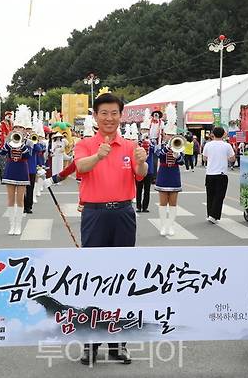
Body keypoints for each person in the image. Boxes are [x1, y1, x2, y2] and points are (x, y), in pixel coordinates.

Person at [74, 93, 148, 366]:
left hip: (123, 214)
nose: (109, 118)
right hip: (94, 214)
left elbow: (141, 174)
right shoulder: (85, 144)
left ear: (121, 115)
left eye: (114, 113)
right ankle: (90, 345)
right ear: (95, 116)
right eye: (103, 113)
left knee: (122, 277)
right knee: (93, 278)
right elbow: (80, 167)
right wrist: (98, 155)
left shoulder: (129, 145)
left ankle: (118, 343)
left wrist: (141, 160)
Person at [0, 105, 33, 235]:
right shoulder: (9, 140)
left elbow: (28, 156)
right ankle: (11, 225)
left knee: (20, 199)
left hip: (22, 170)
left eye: (20, 128)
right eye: (16, 127)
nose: (18, 129)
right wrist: (8, 144)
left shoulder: (28, 142)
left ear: (24, 130)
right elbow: (2, 153)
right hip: (10, 169)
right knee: (10, 199)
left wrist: (22, 145)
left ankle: (18, 226)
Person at [154, 106, 184, 236]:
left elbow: (182, 162)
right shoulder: (160, 145)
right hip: (163, 174)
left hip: (174, 174)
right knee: (162, 203)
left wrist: (178, 156)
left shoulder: (179, 145)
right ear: (164, 134)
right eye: (168, 134)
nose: (171, 137)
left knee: (173, 203)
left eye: (173, 135)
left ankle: (170, 226)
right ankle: (162, 226)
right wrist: (167, 147)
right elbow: (159, 155)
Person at [202, 126, 236, 224]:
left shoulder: (208, 145)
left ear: (213, 134)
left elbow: (204, 158)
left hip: (210, 173)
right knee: (219, 195)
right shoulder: (227, 145)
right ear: (224, 134)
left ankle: (210, 215)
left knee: (210, 195)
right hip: (221, 174)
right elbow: (232, 159)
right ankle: (214, 215)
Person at [135, 124, 155, 213]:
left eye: (146, 129)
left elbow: (155, 151)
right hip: (139, 168)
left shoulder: (152, 143)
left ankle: (145, 207)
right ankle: (138, 206)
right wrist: (141, 142)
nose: (145, 131)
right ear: (140, 130)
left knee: (147, 190)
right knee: (139, 189)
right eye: (143, 129)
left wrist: (149, 143)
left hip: (149, 169)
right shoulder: (137, 142)